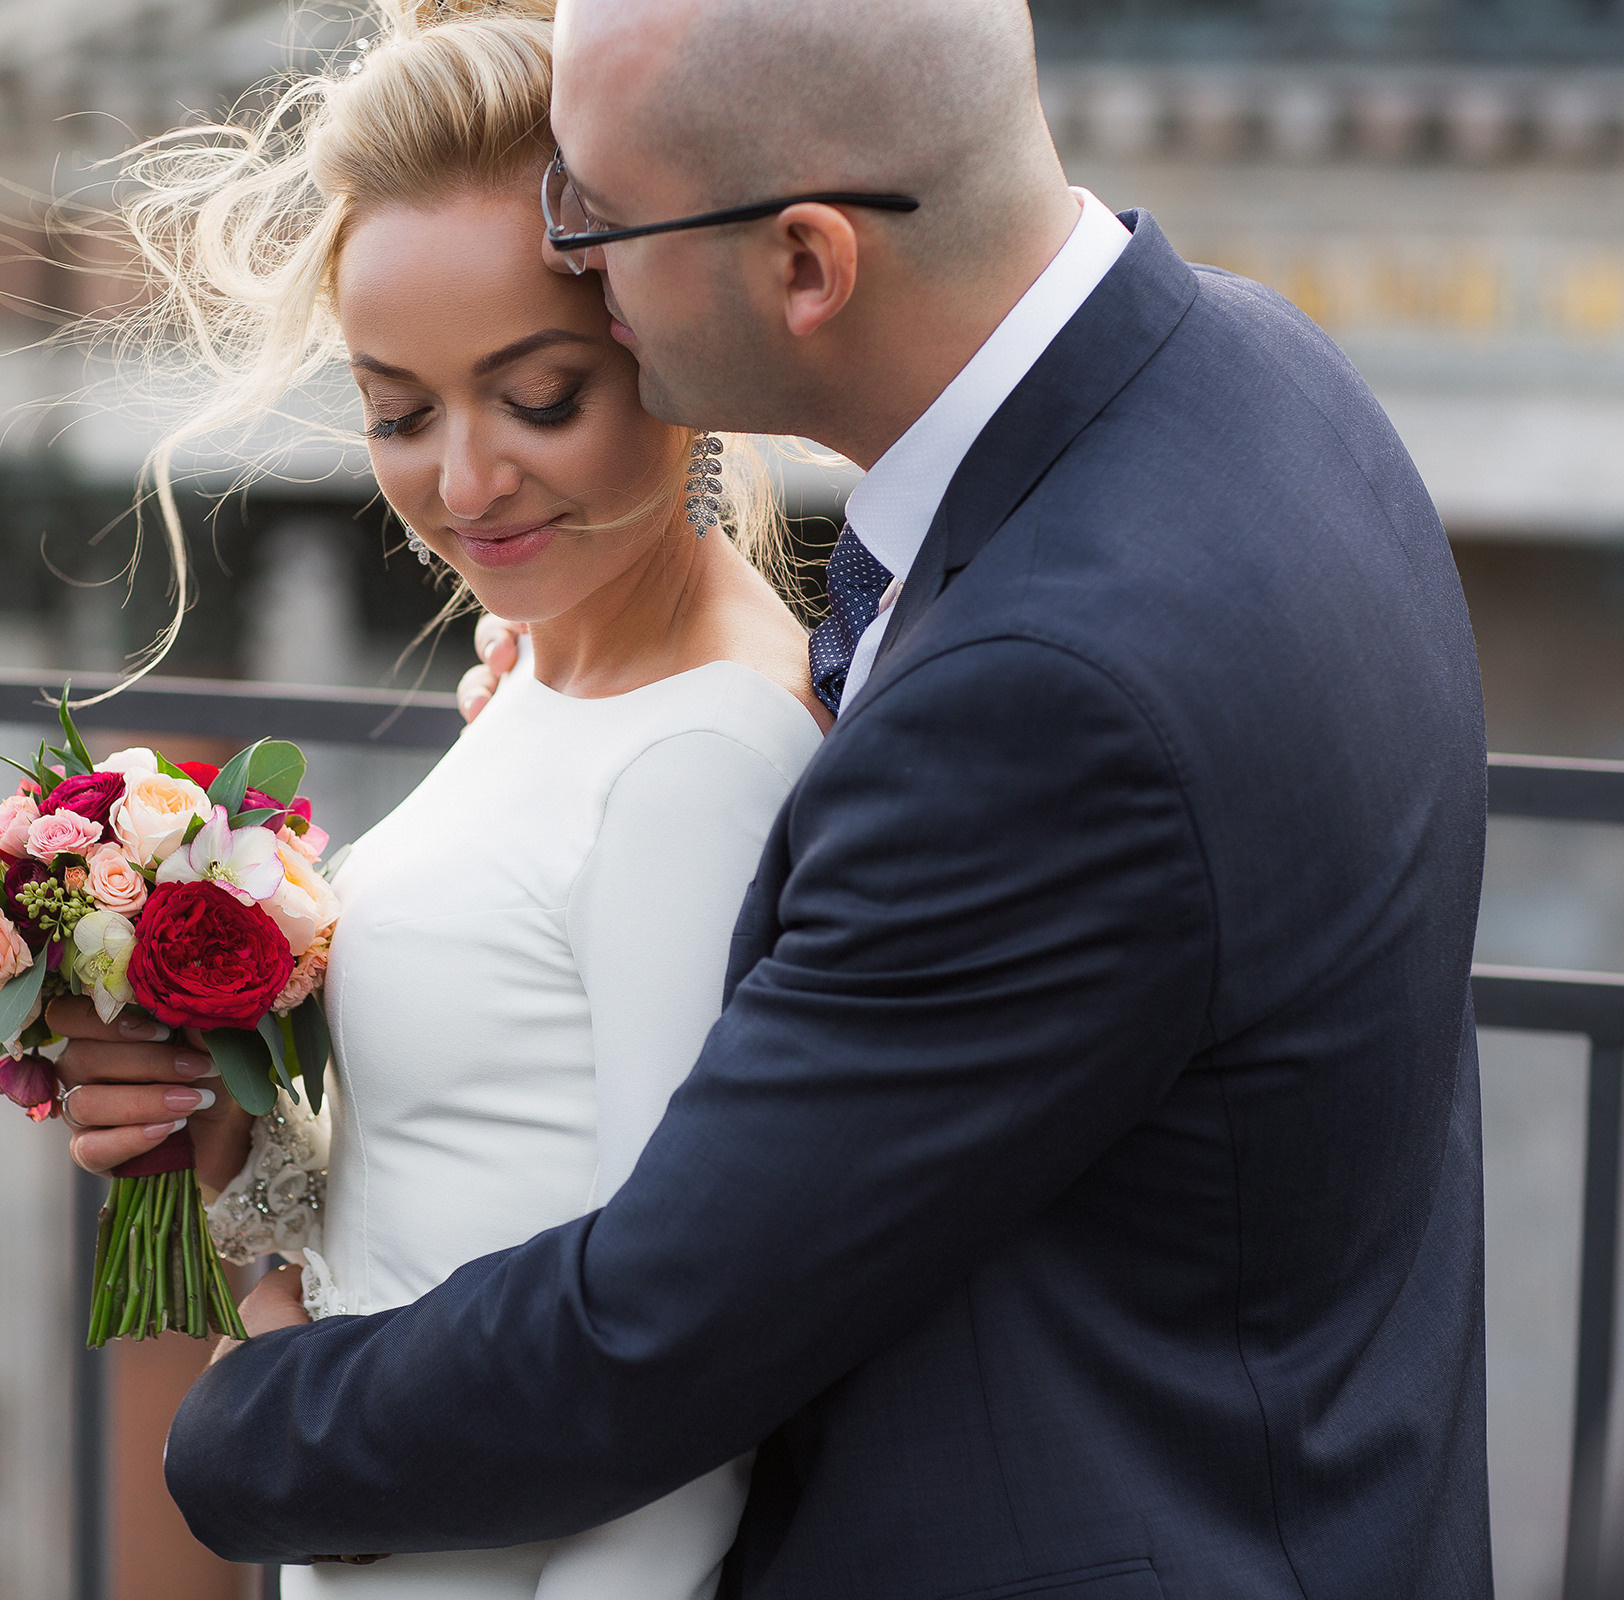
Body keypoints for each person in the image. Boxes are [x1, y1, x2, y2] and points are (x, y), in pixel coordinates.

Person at [144, 0, 1495, 1595]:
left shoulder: (1041, 702)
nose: (576, 260)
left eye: (597, 221)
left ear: (805, 262)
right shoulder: (1254, 371)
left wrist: (242, 1429)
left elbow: (656, 1342)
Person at [46, 2, 827, 1595]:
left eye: (538, 397)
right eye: (399, 413)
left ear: (669, 337)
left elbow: (690, 1400)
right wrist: (220, 1147)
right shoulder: (548, 670)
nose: (462, 484)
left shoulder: (695, 759)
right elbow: (442, 1172)